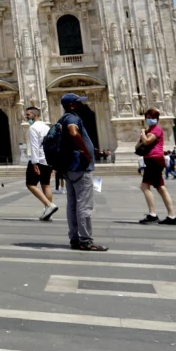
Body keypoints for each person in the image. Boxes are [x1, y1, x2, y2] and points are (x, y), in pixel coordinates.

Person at [57, 93, 106, 252]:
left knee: (72, 205)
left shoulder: (62, 119)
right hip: (80, 167)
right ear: (72, 105)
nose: (81, 104)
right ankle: (85, 240)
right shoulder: (72, 118)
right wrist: (85, 151)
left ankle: (74, 239)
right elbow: (73, 132)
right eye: (78, 102)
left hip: (69, 168)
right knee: (84, 205)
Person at [138, 108, 176, 225]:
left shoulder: (156, 130)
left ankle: (153, 214)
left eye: (152, 118)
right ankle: (171, 216)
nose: (150, 120)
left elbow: (146, 142)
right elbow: (139, 145)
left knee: (145, 186)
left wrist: (142, 133)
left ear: (157, 119)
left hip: (154, 160)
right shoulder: (151, 129)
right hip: (152, 160)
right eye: (148, 118)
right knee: (160, 187)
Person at [25, 106, 59, 221]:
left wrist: (34, 162)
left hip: (38, 159)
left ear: (35, 115)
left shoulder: (33, 128)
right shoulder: (46, 127)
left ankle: (49, 205)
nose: (26, 117)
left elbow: (34, 146)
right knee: (46, 185)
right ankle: (48, 211)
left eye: (28, 115)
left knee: (30, 184)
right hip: (47, 160)